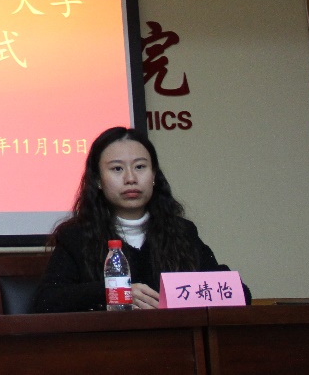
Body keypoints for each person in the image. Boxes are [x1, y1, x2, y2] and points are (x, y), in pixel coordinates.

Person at [32, 126, 248, 312]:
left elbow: (239, 293)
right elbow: (46, 301)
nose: (131, 178)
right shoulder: (76, 237)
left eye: (140, 167)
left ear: (154, 176)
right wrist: (114, 293)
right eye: (117, 169)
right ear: (98, 180)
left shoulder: (182, 232)